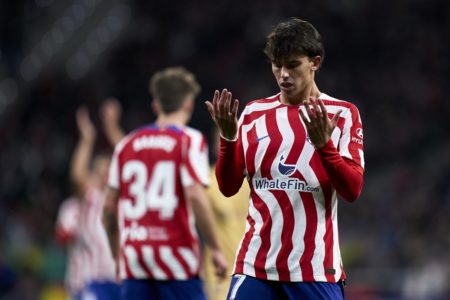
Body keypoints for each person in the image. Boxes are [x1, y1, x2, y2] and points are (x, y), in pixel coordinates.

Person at [205, 17, 365, 299]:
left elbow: (352, 189)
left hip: (314, 270)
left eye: (292, 65)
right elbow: (228, 187)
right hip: (256, 268)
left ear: (315, 62)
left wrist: (324, 146)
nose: (283, 75)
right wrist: (229, 140)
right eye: (277, 65)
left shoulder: (343, 114)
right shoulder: (254, 114)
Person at [104, 67, 228, 300]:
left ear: (156, 106)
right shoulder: (188, 140)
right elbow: (195, 195)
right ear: (189, 105)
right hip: (176, 260)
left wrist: (116, 257)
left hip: (135, 260)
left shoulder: (125, 145)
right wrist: (216, 249)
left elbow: (108, 209)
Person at [64, 107, 119, 300]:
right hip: (93, 279)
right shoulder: (91, 196)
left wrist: (112, 129)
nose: (106, 172)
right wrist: (87, 140)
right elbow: (77, 175)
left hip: (120, 278)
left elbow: (132, 158)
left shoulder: (121, 196)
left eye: (109, 167)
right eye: (101, 169)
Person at [202, 128, 250, 300]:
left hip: (250, 271)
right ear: (216, 146)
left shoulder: (253, 179)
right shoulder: (206, 179)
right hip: (220, 273)